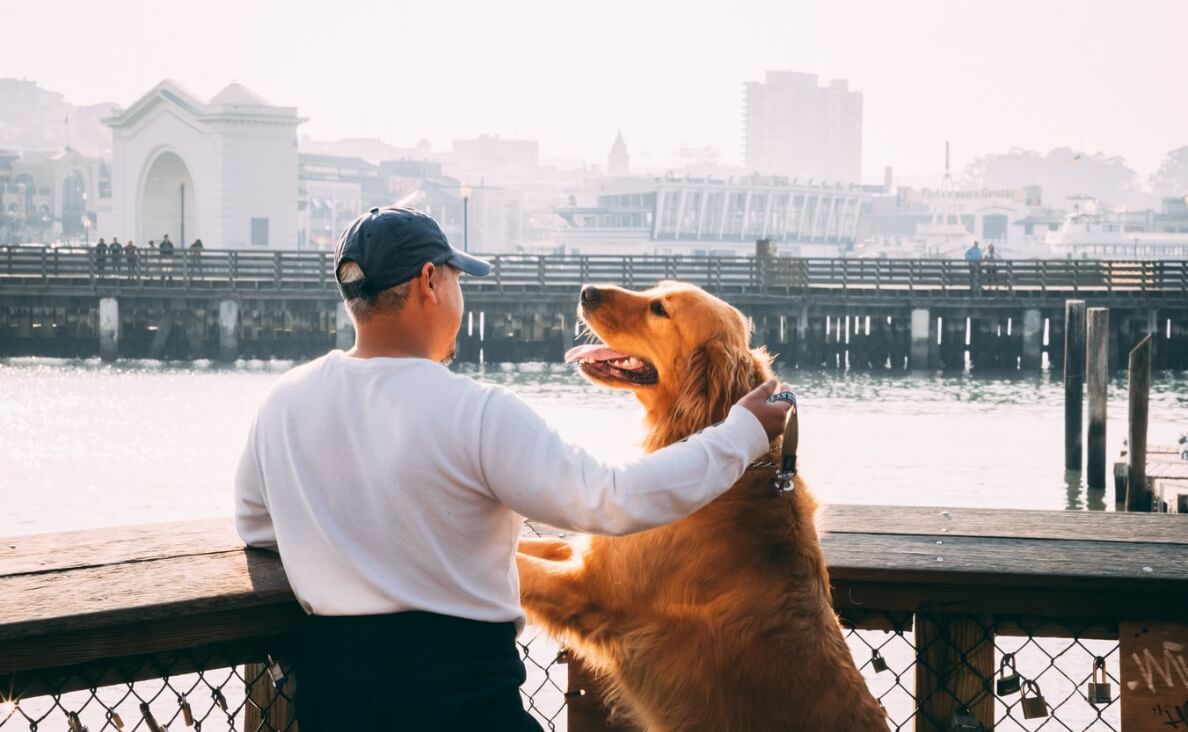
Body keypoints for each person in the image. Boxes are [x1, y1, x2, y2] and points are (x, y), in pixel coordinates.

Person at [234, 207, 795, 731]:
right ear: (430, 282)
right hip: (460, 696)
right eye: (458, 280)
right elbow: (611, 498)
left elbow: (256, 528)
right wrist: (743, 433)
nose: (460, 295)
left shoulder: (281, 403)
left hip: (335, 697)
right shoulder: (476, 412)